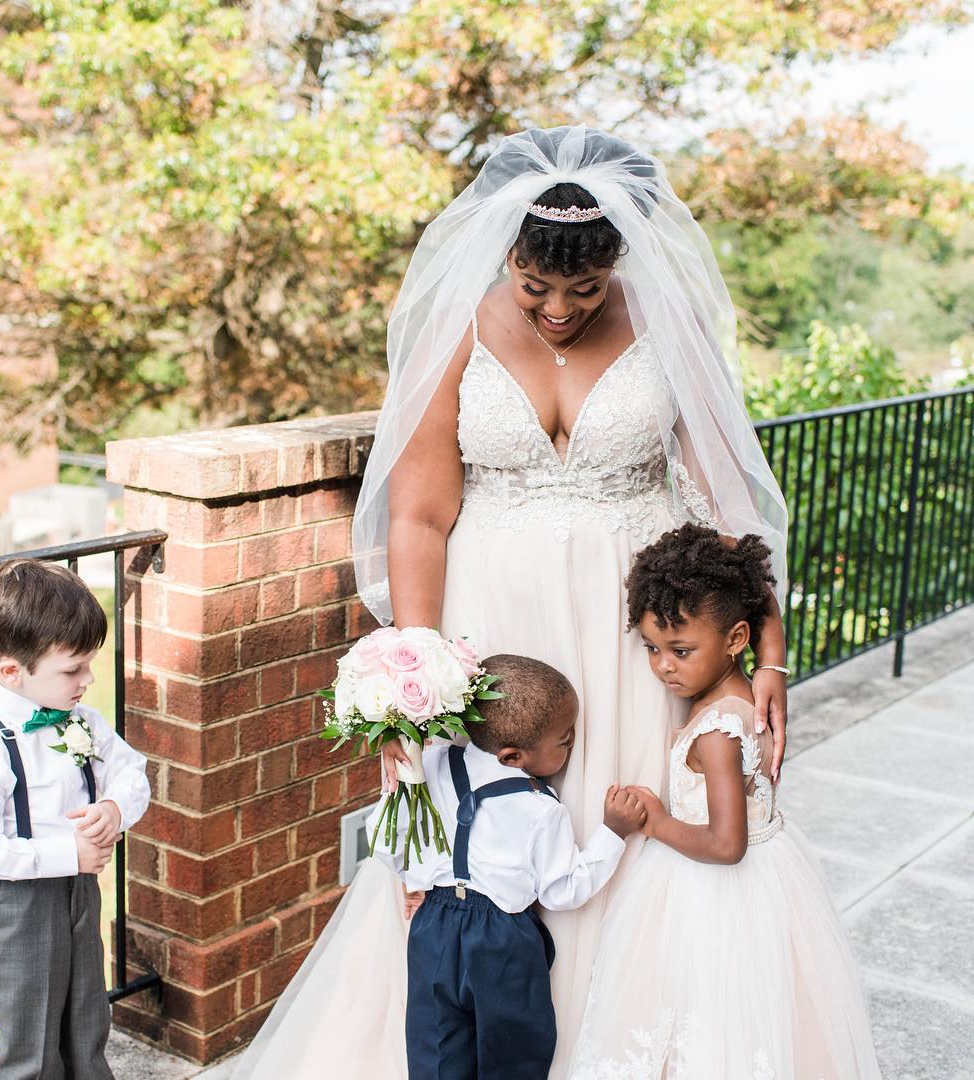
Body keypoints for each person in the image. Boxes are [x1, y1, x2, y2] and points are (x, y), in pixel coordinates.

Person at [229, 125, 789, 1079]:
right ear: (508, 255)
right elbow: (416, 516)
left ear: (623, 261)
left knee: (621, 814)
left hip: (633, 632)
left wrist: (765, 656)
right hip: (494, 617)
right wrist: (416, 676)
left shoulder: (667, 328)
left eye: (587, 288)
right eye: (538, 287)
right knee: (478, 830)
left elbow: (731, 514)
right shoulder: (459, 325)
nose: (561, 309)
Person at [568, 523, 881, 1078]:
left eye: (680, 650)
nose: (663, 665)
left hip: (711, 887)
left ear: (737, 639)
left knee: (701, 1008)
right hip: (769, 880)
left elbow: (725, 843)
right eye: (652, 648)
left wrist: (655, 821)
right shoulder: (741, 703)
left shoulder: (717, 731)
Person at [368, 654, 646, 1079]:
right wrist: (613, 833)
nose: (572, 745)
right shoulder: (541, 809)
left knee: (435, 1043)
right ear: (513, 756)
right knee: (514, 1051)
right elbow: (561, 891)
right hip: (501, 942)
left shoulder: (435, 762)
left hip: (433, 928)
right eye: (566, 739)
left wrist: (419, 878)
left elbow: (385, 837)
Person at [0, 559, 151, 1079]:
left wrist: (115, 808)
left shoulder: (84, 722)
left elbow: (133, 773)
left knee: (86, 1020)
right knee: (31, 1042)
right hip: (17, 908)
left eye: (89, 664)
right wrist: (67, 852)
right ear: (12, 671)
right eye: (72, 669)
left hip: (78, 894)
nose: (88, 679)